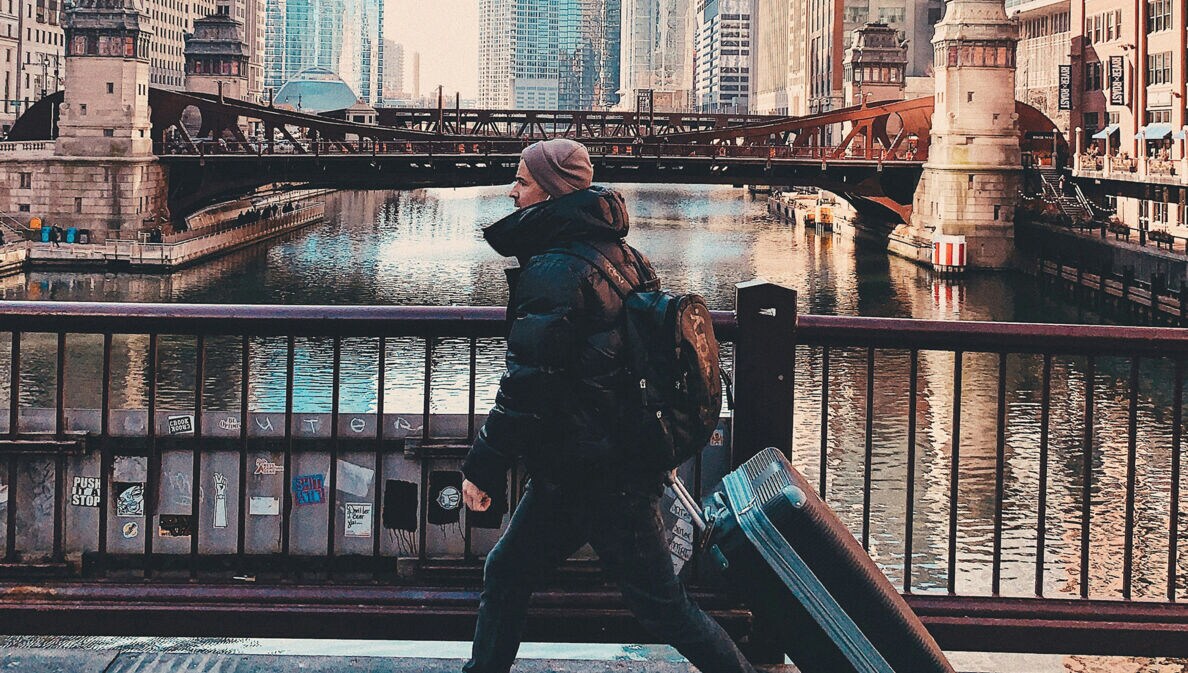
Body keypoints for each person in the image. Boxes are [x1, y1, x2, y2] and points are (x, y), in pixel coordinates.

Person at [460, 138, 757, 673]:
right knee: (508, 573)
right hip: (592, 465)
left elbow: (528, 385)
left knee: (664, 608)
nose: (512, 191)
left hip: (599, 473)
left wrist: (483, 467)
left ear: (549, 194)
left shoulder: (554, 270)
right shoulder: (625, 258)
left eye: (522, 183)